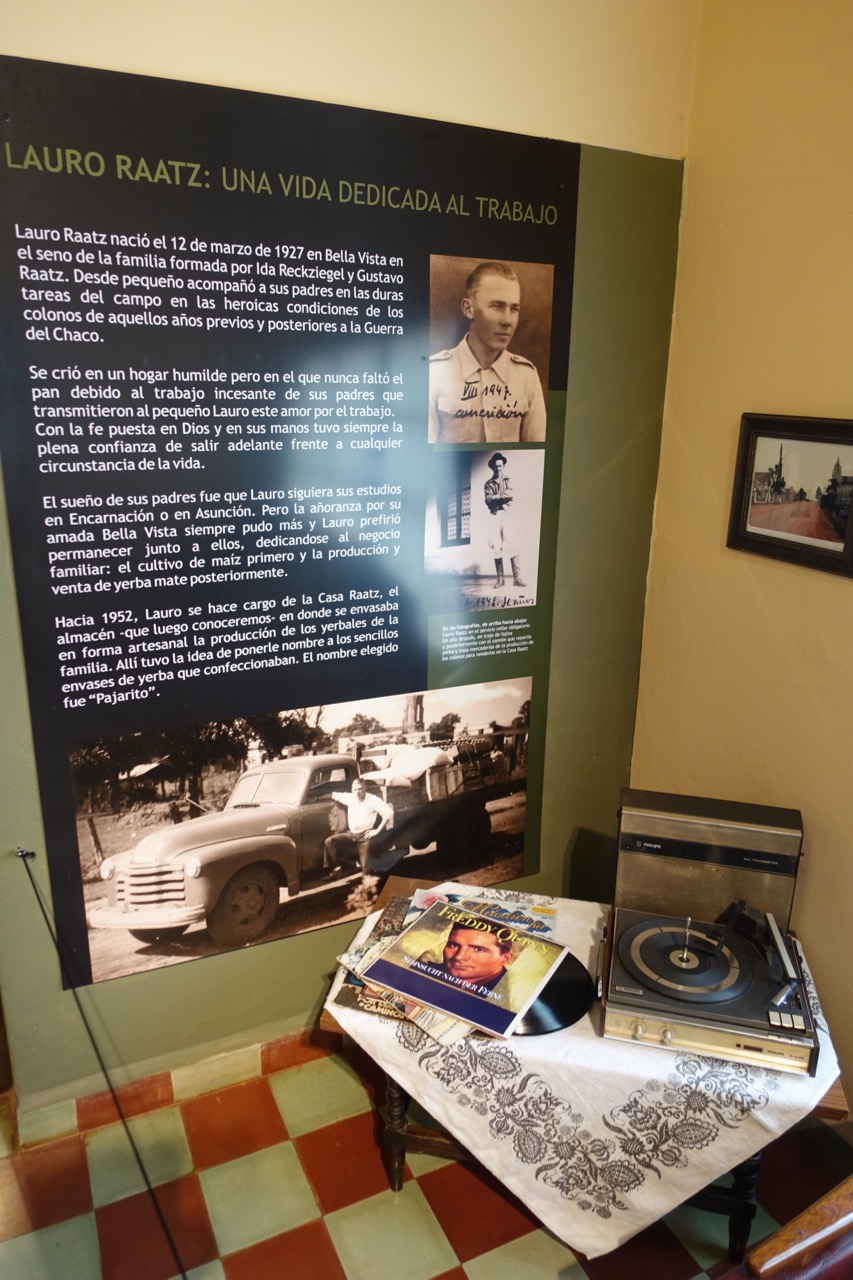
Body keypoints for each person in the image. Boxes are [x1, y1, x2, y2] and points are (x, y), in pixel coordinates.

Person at [428, 261, 547, 444]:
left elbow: (537, 453)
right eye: (497, 306)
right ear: (468, 309)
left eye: (514, 309)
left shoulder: (526, 376)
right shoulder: (435, 372)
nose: (507, 321)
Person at [323, 778, 393, 876]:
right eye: (355, 789)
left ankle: (368, 878)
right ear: (352, 790)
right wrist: (314, 798)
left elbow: (389, 812)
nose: (357, 792)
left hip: (365, 837)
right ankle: (349, 867)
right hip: (352, 835)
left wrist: (377, 831)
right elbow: (333, 795)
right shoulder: (350, 798)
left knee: (366, 872)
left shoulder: (372, 800)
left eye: (360, 789)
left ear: (365, 788)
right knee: (329, 842)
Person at [483, 452, 525, 587]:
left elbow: (510, 494)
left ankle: (517, 579)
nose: (498, 469)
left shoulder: (509, 479)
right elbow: (488, 501)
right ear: (492, 467)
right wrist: (501, 497)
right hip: (495, 516)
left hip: (508, 514)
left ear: (503, 466)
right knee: (497, 546)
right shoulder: (488, 484)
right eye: (495, 466)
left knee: (512, 544)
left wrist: (496, 497)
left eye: (500, 466)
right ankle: (500, 580)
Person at [439, 923, 514, 991]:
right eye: (453, 945)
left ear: (505, 959)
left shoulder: (513, 994)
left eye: (478, 950)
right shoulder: (433, 969)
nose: (459, 957)